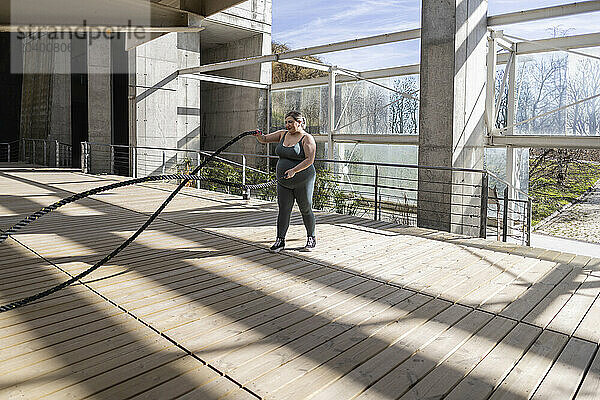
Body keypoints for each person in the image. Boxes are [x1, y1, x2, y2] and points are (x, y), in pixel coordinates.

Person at [253, 111, 317, 252]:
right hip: (284, 182)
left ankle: (311, 238)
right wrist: (258, 135)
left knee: (305, 208)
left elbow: (309, 160)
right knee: (283, 210)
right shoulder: (282, 134)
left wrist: (294, 170)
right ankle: (280, 241)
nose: (287, 125)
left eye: (290, 122)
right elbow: (264, 139)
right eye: (286, 122)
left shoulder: (307, 138)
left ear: (299, 122)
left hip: (303, 180)